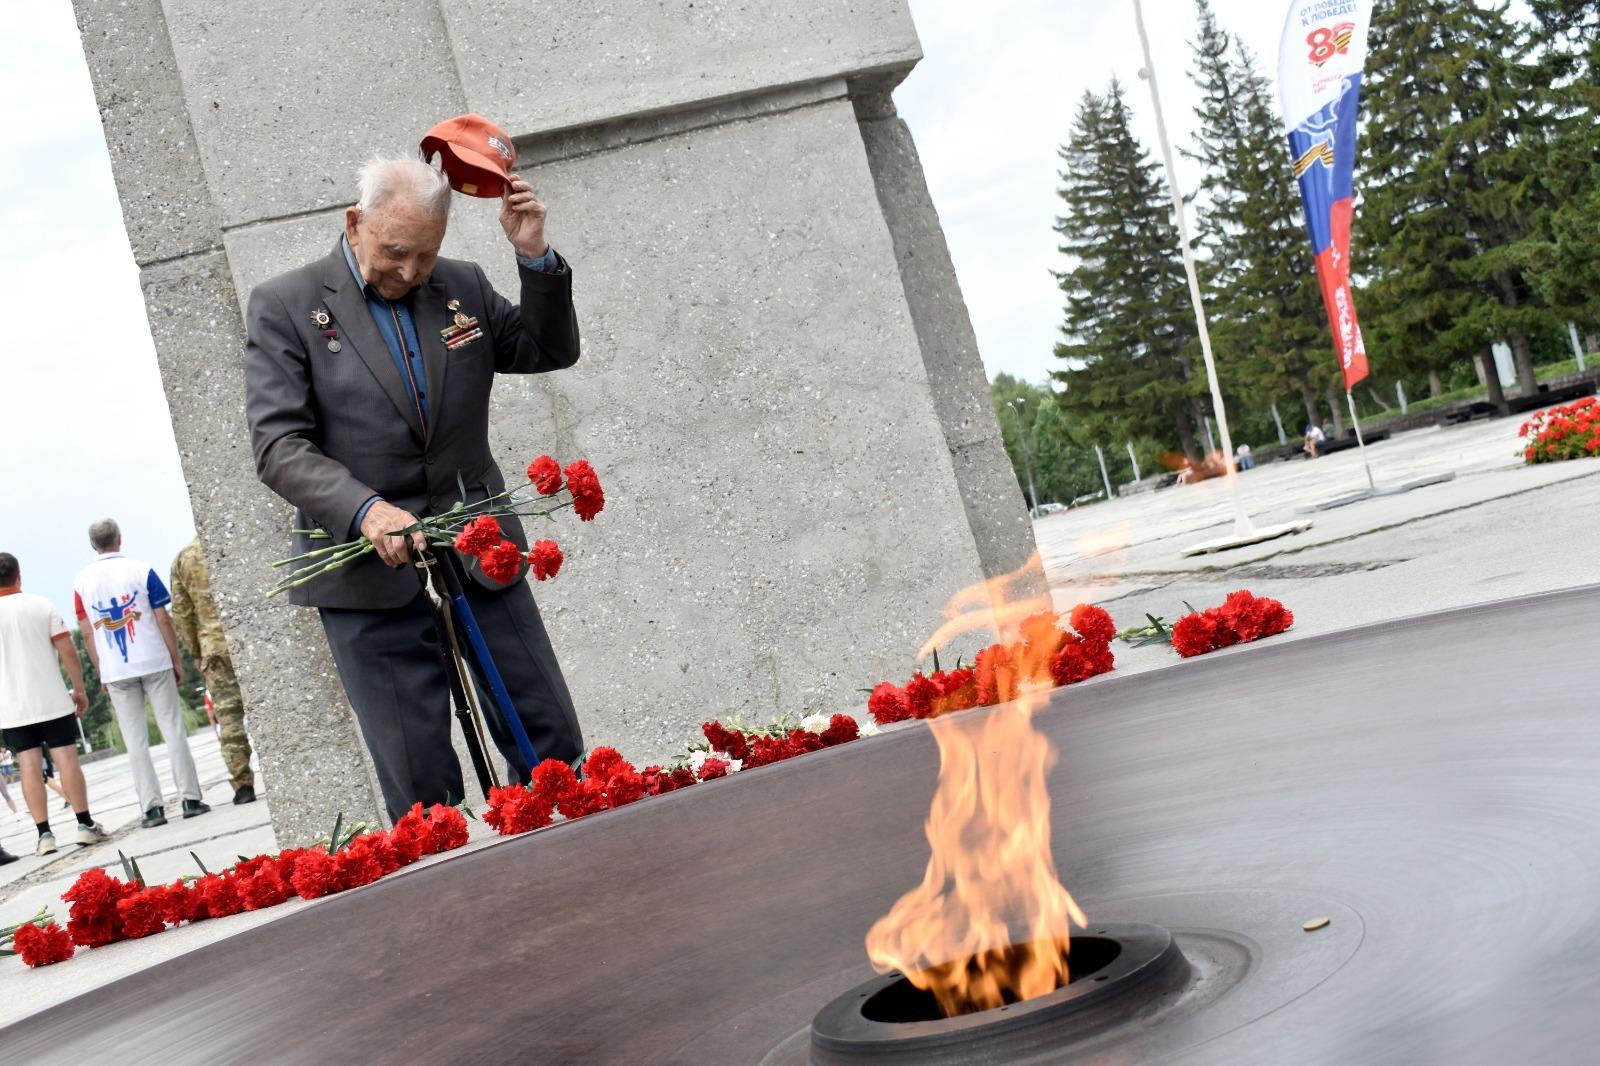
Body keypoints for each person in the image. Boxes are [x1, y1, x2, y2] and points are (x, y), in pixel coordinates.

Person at [244, 143, 585, 821]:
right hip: (367, 568)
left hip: (479, 546)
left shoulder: (460, 284)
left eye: (425, 253)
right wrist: (366, 511)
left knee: (549, 739)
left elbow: (549, 349)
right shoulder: (286, 305)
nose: (409, 270)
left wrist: (533, 257)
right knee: (422, 782)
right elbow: (278, 444)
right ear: (353, 224)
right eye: (396, 250)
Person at [72, 520, 210, 827]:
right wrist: (175, 659)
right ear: (119, 538)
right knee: (172, 729)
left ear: (93, 545)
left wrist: (102, 670)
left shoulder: (81, 581)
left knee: (135, 740)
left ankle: (152, 809)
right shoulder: (141, 569)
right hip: (153, 659)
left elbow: (87, 632)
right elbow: (162, 617)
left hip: (116, 669)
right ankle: (190, 798)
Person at [0, 552, 111, 858]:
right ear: (18, 574)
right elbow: (67, 651)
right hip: (52, 698)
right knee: (67, 761)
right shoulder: (41, 605)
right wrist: (78, 689)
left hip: (13, 707)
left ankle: (44, 834)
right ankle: (84, 824)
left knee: (29, 767)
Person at [170, 537, 257, 805]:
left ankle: (242, 786)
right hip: (251, 640)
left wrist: (195, 651)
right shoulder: (233, 542)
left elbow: (182, 614)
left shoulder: (183, 558)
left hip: (214, 649)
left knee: (228, 717)